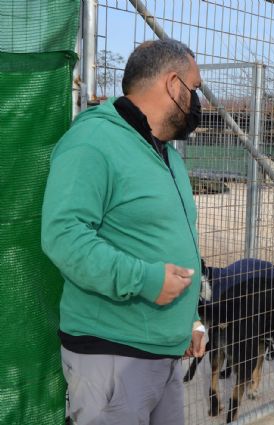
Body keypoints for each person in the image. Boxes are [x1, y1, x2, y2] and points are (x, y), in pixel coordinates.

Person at [41, 39, 206, 425]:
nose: (198, 100)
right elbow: (64, 235)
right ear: (172, 84)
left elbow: (167, 239)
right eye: (194, 88)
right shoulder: (94, 141)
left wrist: (191, 320)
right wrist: (146, 280)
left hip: (165, 351)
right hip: (114, 354)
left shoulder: (164, 152)